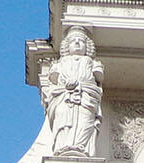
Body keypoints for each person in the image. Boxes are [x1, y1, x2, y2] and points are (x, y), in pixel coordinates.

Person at [39, 27, 103, 156]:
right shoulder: (61, 63)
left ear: (87, 46)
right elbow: (54, 76)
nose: (78, 43)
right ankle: (65, 146)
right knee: (63, 118)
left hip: (86, 97)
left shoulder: (90, 62)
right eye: (74, 41)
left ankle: (80, 147)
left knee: (85, 120)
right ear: (67, 46)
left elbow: (99, 76)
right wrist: (68, 85)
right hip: (65, 97)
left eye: (81, 41)